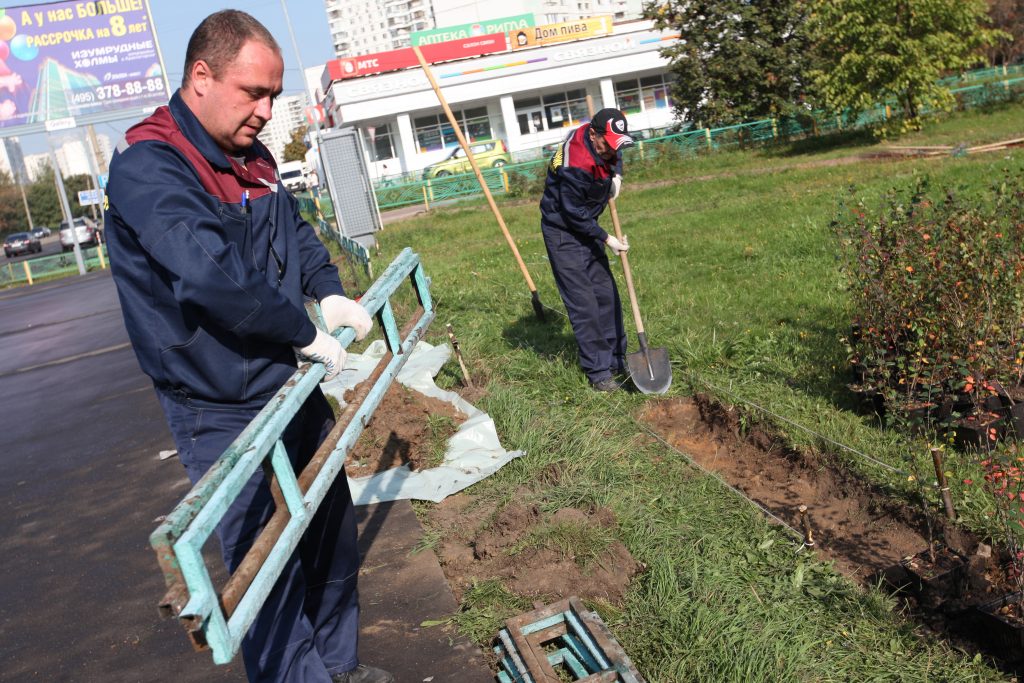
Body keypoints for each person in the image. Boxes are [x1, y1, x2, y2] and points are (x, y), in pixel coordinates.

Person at [105, 10, 392, 683]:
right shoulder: (150, 170)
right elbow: (209, 275)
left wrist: (327, 291)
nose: (266, 110)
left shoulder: (251, 157)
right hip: (220, 404)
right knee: (266, 573)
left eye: (273, 94)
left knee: (327, 538)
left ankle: (341, 667)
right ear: (200, 76)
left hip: (289, 383)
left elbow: (295, 232)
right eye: (253, 93)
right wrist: (303, 332)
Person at [539, 108, 634, 392]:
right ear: (593, 135)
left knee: (606, 295)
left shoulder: (601, 139)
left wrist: (615, 175)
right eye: (607, 145)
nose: (611, 151)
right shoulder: (575, 163)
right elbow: (573, 213)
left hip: (586, 224)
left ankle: (618, 360)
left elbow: (613, 153)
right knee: (585, 304)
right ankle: (599, 372)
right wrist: (608, 240)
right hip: (563, 231)